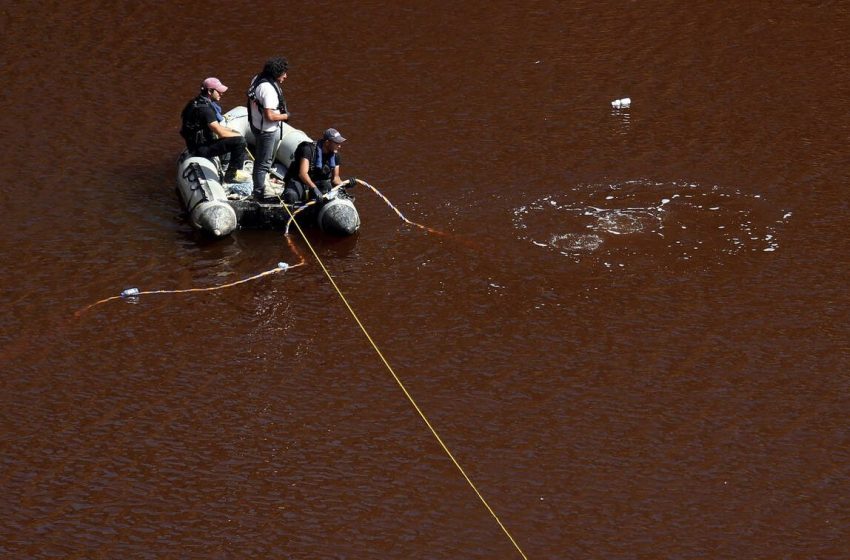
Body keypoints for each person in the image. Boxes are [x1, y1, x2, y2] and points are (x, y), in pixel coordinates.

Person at [180, 77, 249, 183]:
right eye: (219, 91)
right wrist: (238, 135)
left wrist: (231, 132)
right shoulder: (206, 110)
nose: (221, 94)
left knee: (233, 136)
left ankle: (226, 165)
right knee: (240, 141)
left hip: (193, 145)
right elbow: (220, 132)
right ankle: (232, 175)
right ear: (210, 91)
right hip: (201, 149)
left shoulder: (194, 103)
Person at [247, 57, 290, 199]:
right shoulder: (269, 90)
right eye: (283, 73)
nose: (285, 76)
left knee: (262, 160)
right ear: (276, 73)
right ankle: (259, 192)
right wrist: (286, 116)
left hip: (255, 124)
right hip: (266, 130)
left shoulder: (257, 78)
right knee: (263, 164)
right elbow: (270, 116)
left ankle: (259, 185)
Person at [283, 128, 355, 204]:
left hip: (317, 183)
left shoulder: (336, 156)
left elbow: (335, 179)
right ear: (327, 142)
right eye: (337, 143)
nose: (339, 146)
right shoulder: (308, 150)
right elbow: (302, 174)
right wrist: (314, 189)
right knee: (291, 196)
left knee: (327, 190)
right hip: (300, 182)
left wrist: (345, 184)